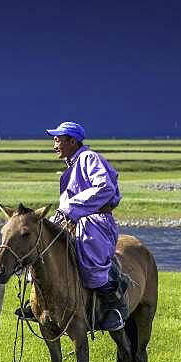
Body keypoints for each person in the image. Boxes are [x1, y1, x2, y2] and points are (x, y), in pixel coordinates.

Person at [44, 120, 129, 331]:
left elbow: (105, 187)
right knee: (42, 245)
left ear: (72, 141)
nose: (54, 144)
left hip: (95, 221)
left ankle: (112, 303)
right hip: (72, 217)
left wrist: (72, 207)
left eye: (58, 140)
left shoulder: (89, 158)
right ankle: (42, 303)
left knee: (90, 254)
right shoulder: (73, 163)